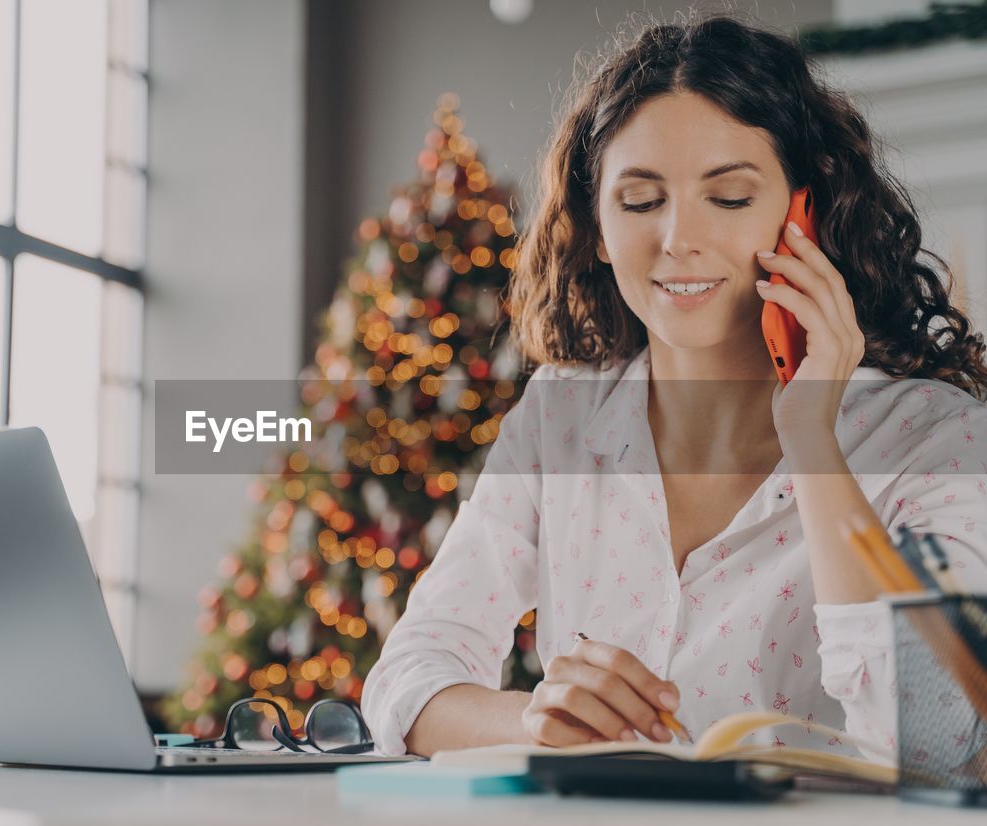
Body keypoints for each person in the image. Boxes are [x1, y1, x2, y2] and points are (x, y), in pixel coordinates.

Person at [361, 15, 987, 761]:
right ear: (595, 221)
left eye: (728, 198)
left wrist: (815, 441)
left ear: (805, 214)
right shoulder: (560, 418)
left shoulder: (936, 439)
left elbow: (933, 736)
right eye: (640, 200)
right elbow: (408, 674)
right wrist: (538, 722)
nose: (677, 239)